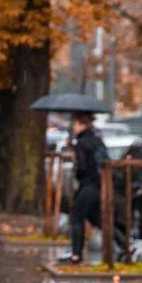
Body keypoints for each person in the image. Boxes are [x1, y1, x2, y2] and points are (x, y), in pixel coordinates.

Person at [58, 112, 129, 264]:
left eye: (75, 124)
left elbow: (82, 168)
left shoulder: (82, 143)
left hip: (88, 185)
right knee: (97, 219)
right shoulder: (97, 140)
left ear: (81, 124)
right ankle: (125, 245)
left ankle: (76, 255)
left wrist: (75, 155)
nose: (73, 127)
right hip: (99, 185)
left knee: (76, 217)